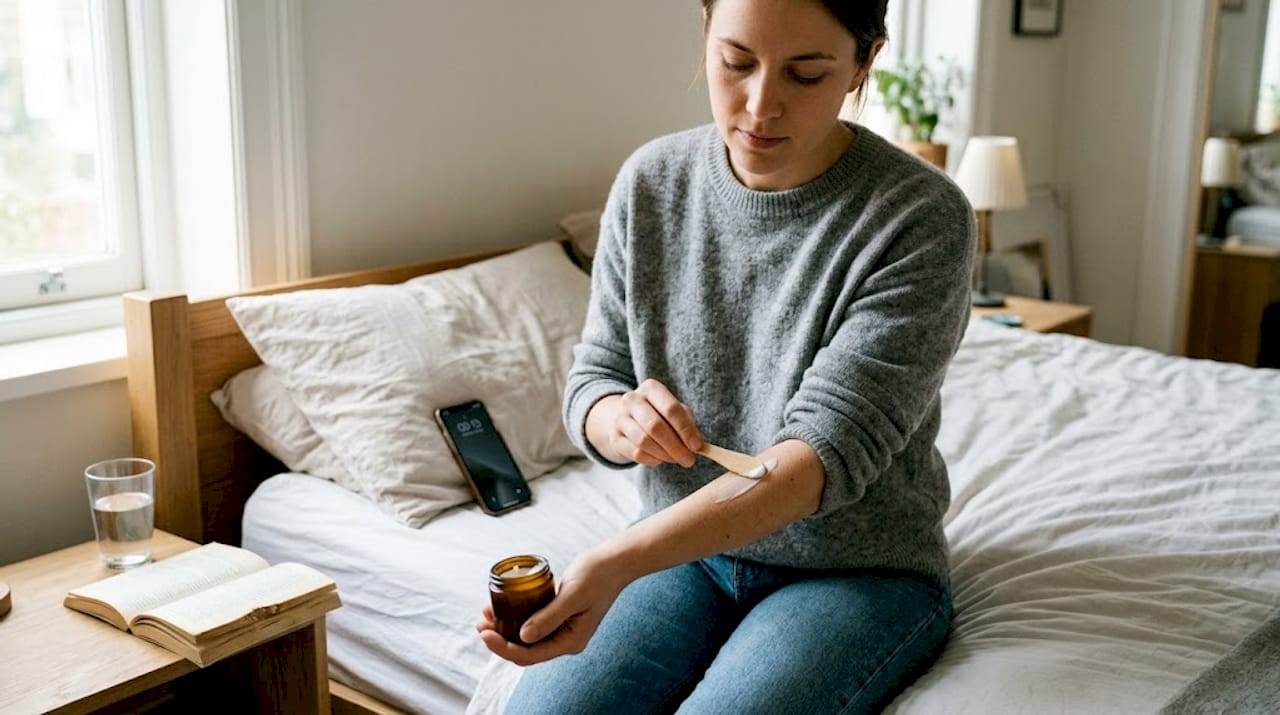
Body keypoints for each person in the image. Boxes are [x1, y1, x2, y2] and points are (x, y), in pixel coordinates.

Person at [478, 0, 975, 711]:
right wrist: (619, 419)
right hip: (683, 556)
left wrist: (616, 561)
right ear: (705, 34)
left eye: (805, 74)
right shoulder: (651, 182)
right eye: (736, 62)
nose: (760, 105)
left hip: (852, 568)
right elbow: (594, 378)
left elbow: (819, 458)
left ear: (864, 62)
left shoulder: (920, 216)